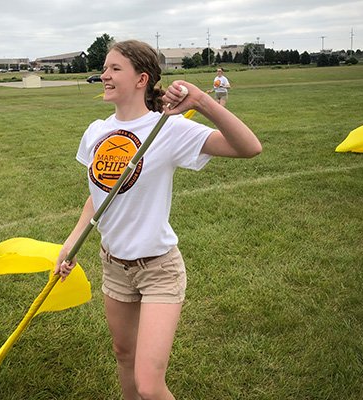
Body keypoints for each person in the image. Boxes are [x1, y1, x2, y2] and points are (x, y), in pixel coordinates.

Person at [54, 40, 261, 400]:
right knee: (123, 355)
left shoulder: (167, 128)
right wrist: (71, 244)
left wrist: (201, 102)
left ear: (141, 79)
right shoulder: (95, 131)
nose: (104, 75)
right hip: (113, 264)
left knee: (150, 385)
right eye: (105, 68)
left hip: (158, 269)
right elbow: (99, 196)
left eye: (115, 69)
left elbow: (249, 147)